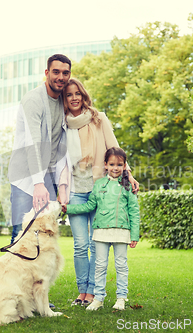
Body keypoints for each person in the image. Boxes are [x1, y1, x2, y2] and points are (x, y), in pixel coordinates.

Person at [62, 78, 138, 306]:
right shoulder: (63, 124)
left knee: (97, 243)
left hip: (98, 189)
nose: (74, 97)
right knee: (80, 245)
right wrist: (61, 190)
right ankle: (82, 291)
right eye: (69, 95)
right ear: (64, 100)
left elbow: (115, 148)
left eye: (77, 93)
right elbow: (59, 160)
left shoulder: (99, 118)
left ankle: (94, 292)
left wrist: (129, 174)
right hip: (75, 189)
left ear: (84, 95)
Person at [62, 147, 140, 311]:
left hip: (121, 232)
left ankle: (121, 298)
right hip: (101, 232)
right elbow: (90, 206)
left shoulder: (127, 186)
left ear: (125, 166)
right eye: (112, 164)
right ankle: (98, 298)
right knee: (100, 266)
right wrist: (68, 209)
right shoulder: (98, 185)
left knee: (121, 266)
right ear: (105, 165)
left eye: (119, 164)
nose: (115, 168)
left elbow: (134, 211)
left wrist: (134, 235)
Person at [8, 54, 72, 244]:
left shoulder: (64, 101)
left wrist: (62, 185)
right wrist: (38, 184)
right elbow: (33, 143)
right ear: (46, 73)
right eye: (56, 72)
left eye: (65, 73)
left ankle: (38, 274)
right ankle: (13, 273)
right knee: (22, 232)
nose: (61, 77)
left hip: (49, 176)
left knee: (45, 232)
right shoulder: (33, 100)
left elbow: (62, 144)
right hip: (25, 176)